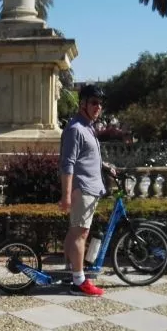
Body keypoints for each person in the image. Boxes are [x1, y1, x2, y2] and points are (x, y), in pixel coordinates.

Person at [58, 84, 115, 297]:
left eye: (100, 103)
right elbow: (68, 163)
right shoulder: (75, 129)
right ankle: (78, 282)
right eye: (93, 102)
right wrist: (66, 196)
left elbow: (87, 158)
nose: (98, 107)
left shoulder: (88, 127)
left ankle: (70, 272)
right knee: (79, 235)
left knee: (75, 233)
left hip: (90, 187)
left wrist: (106, 166)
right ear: (82, 104)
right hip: (82, 188)